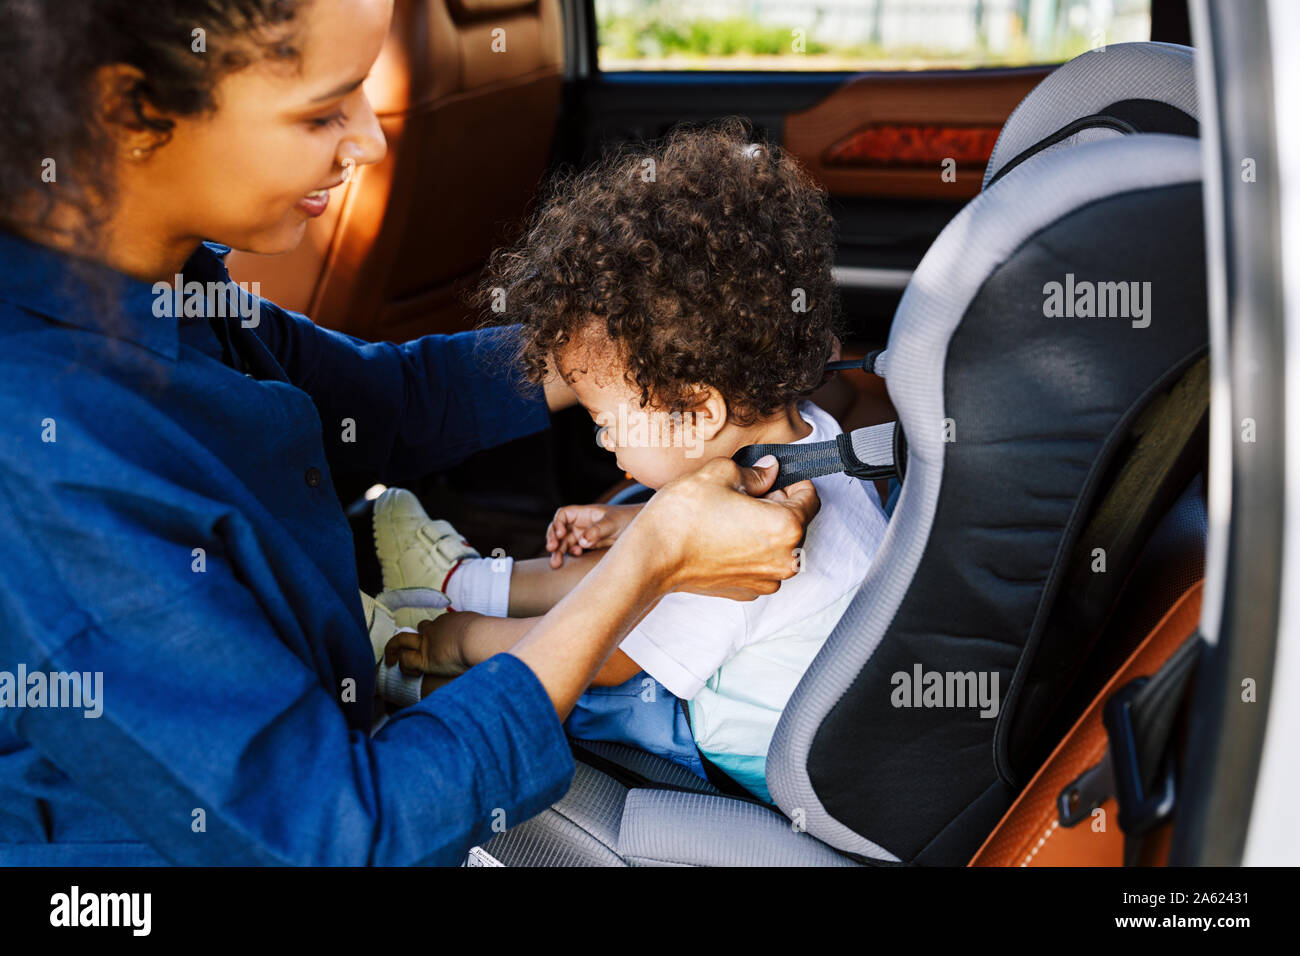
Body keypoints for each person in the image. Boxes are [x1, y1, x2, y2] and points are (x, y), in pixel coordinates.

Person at [0, 0, 818, 865]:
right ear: (129, 111)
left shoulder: (171, 289)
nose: (370, 141)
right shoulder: (44, 454)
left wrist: (634, 346)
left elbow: (376, 403)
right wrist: (652, 559)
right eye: (324, 108)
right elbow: (346, 836)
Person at [378, 125, 888, 802]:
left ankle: (419, 649)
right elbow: (643, 569)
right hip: (819, 699)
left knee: (582, 683)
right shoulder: (812, 438)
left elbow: (603, 658)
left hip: (753, 748)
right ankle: (460, 579)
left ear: (699, 411)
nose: (601, 441)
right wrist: (638, 529)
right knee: (631, 554)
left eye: (604, 420)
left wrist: (465, 640)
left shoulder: (753, 561)